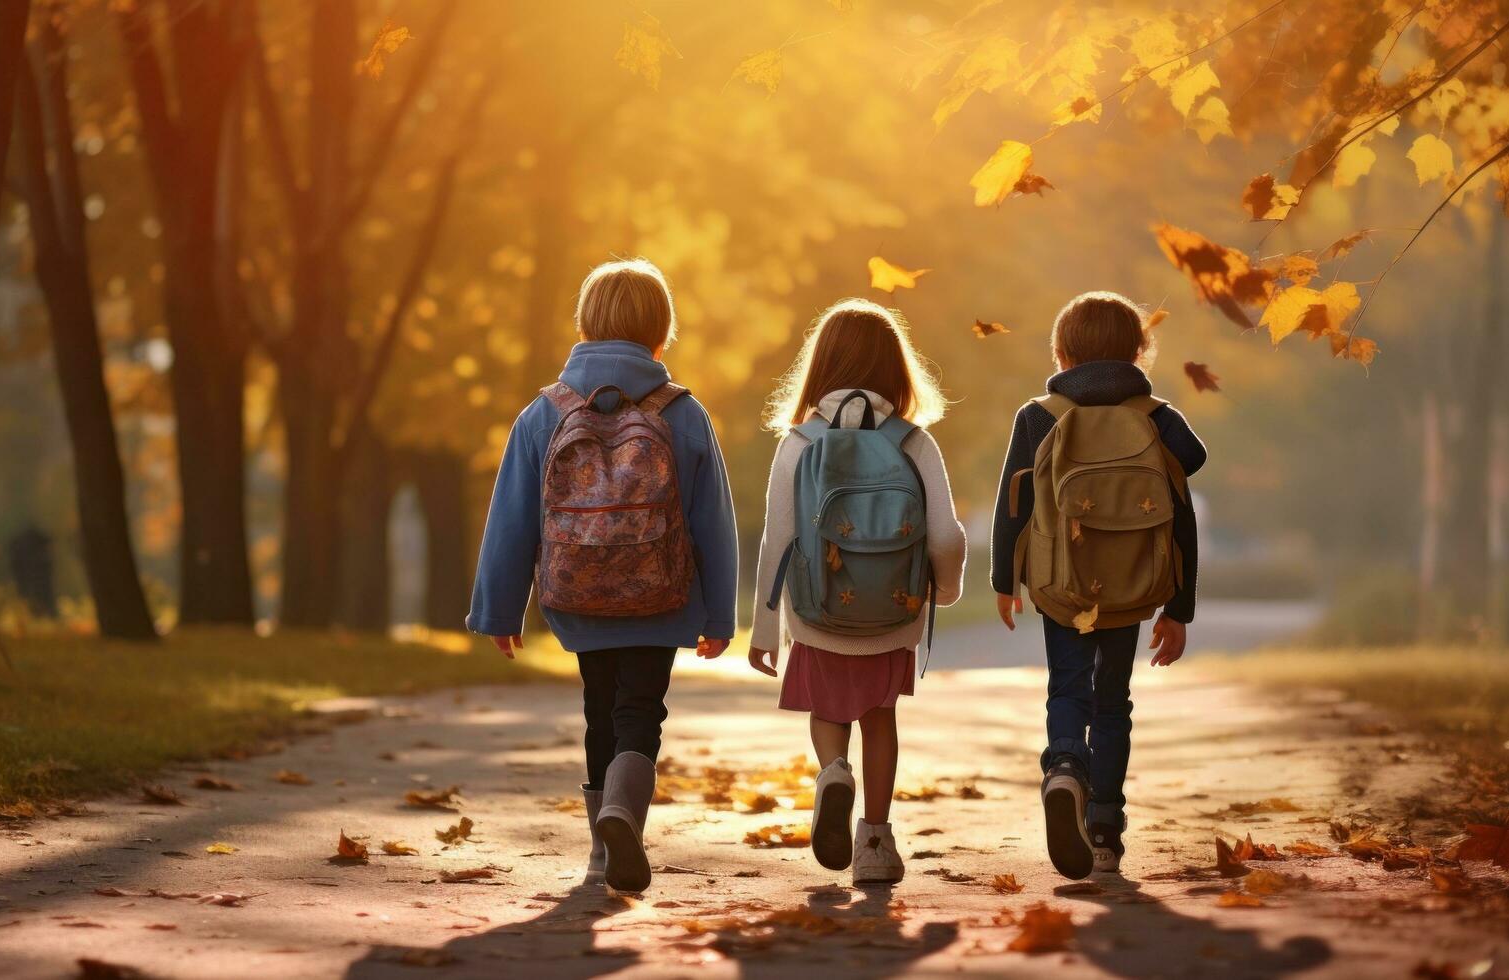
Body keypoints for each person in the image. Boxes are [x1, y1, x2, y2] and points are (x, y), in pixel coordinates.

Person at [466, 258, 738, 893]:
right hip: (661, 594)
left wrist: (499, 612)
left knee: (599, 711)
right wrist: (719, 614)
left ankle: (598, 851)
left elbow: (510, 518)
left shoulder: (545, 413)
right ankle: (624, 816)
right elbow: (713, 520)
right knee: (640, 710)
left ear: (585, 323)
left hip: (579, 593)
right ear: (660, 333)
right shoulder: (683, 413)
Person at [749, 298, 967, 885]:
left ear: (819, 368)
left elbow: (779, 540)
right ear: (896, 370)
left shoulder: (799, 442)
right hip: (893, 612)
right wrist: (940, 592)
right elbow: (946, 534)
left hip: (819, 611)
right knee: (879, 716)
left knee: (828, 710)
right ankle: (874, 840)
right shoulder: (911, 442)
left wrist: (765, 629)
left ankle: (832, 775)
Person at [990, 291, 1206, 879]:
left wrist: (1003, 581)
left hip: (1062, 583)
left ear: (1061, 354)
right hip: (1133, 586)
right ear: (1139, 351)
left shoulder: (1040, 414)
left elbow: (1011, 504)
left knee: (1067, 689)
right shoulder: (1157, 416)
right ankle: (1105, 829)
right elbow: (1187, 492)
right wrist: (1178, 608)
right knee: (1113, 703)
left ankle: (1064, 768)